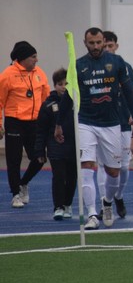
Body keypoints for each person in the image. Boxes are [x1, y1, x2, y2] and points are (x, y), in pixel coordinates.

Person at [57, 28, 133, 230]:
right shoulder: (78, 65)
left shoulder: (117, 62)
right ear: (85, 43)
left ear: (104, 42)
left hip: (112, 124)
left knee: (114, 172)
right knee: (86, 166)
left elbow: (129, 92)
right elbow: (69, 96)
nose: (95, 46)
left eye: (98, 42)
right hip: (86, 122)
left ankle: (108, 202)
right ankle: (92, 214)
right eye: (91, 43)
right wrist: (59, 123)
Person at [0, 41, 49, 208]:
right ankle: (15, 194)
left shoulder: (39, 73)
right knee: (13, 160)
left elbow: (45, 98)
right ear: (21, 59)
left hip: (35, 122)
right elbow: (0, 101)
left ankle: (23, 183)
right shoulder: (7, 75)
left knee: (39, 158)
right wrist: (0, 124)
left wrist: (47, 121)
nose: (36, 60)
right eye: (33, 57)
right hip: (15, 121)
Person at [99, 30, 133, 221]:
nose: (107, 49)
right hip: (101, 123)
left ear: (116, 46)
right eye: (103, 45)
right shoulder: (93, 67)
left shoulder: (125, 66)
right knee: (103, 166)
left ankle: (119, 196)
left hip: (123, 122)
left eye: (110, 45)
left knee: (123, 167)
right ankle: (103, 202)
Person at [33, 68, 76, 219]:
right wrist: (40, 151)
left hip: (74, 147)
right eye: (60, 84)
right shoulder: (47, 105)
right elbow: (41, 130)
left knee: (72, 177)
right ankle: (58, 206)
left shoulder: (77, 103)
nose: (63, 87)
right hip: (55, 147)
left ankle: (68, 204)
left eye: (66, 83)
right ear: (55, 85)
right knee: (59, 176)